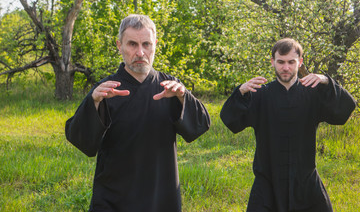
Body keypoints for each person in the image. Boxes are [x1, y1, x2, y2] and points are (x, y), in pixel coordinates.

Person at [65, 14, 210, 212]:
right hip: (114, 198)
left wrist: (184, 97)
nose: (140, 52)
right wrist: (94, 103)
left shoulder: (170, 87)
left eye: (146, 44)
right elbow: (82, 141)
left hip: (161, 194)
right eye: (132, 44)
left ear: (155, 45)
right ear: (119, 45)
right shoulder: (106, 90)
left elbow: (200, 126)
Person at [220, 38, 356, 212]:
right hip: (267, 181)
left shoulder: (313, 94)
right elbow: (231, 121)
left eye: (291, 62)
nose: (286, 68)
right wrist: (240, 93)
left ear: (300, 62)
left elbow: (344, 111)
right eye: (281, 62)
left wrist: (327, 81)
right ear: (272, 62)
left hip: (305, 179)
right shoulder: (259, 95)